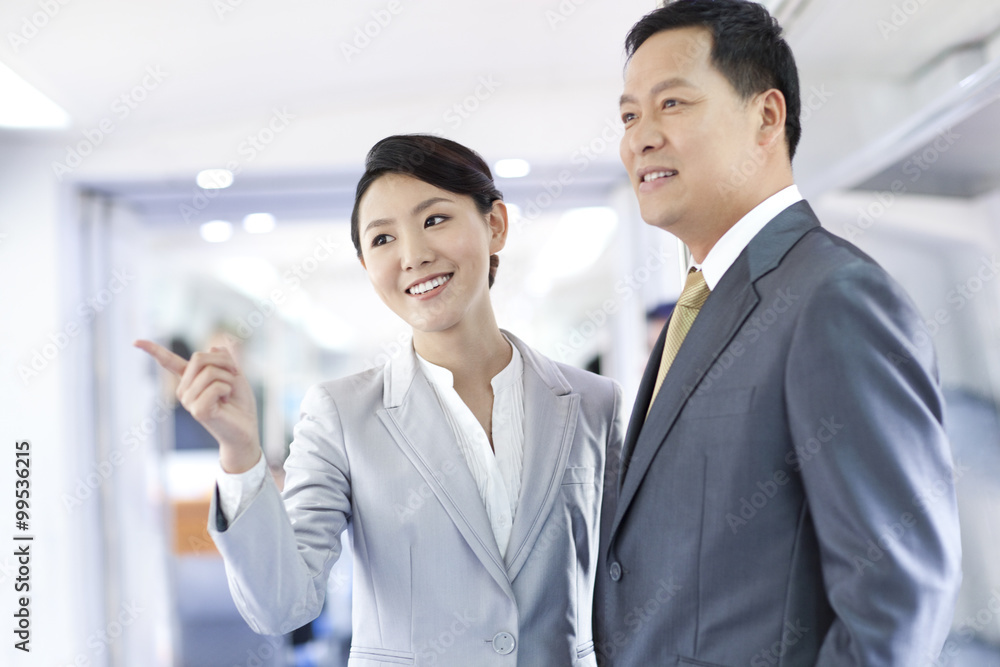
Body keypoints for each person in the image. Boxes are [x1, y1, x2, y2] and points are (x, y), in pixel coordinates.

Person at [137, 134, 623, 666]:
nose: (413, 256)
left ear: (496, 224)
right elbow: (282, 606)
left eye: (435, 219)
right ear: (367, 265)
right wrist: (239, 452)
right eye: (383, 239)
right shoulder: (342, 415)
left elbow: (625, 588)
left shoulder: (593, 403)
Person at [593, 2, 962, 665]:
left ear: (767, 116)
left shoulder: (833, 299)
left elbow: (898, 606)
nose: (640, 136)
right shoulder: (702, 306)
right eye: (628, 115)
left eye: (672, 104)